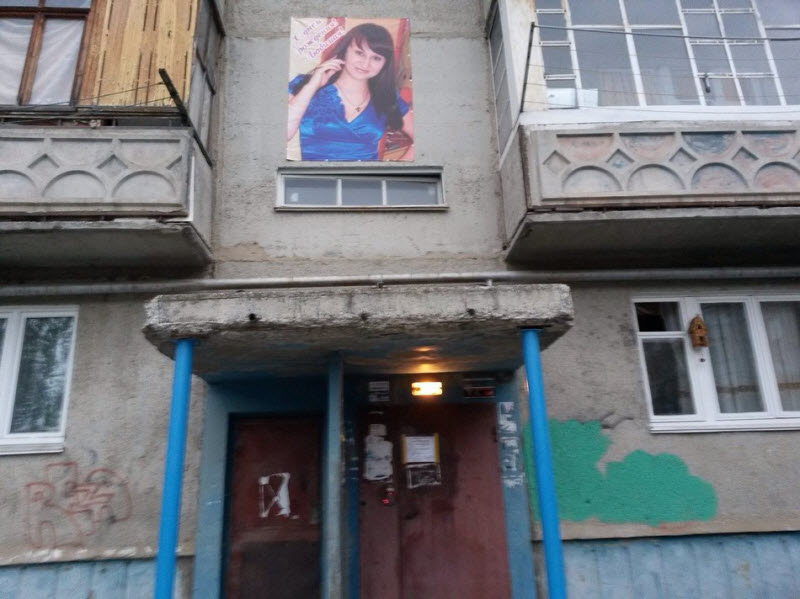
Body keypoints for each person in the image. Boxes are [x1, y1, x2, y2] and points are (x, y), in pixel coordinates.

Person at [288, 23, 414, 161]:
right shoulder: (305, 85)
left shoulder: (387, 97)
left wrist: (396, 172)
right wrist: (313, 86)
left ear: (385, 63)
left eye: (376, 58)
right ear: (345, 51)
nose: (365, 64)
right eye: (359, 53)